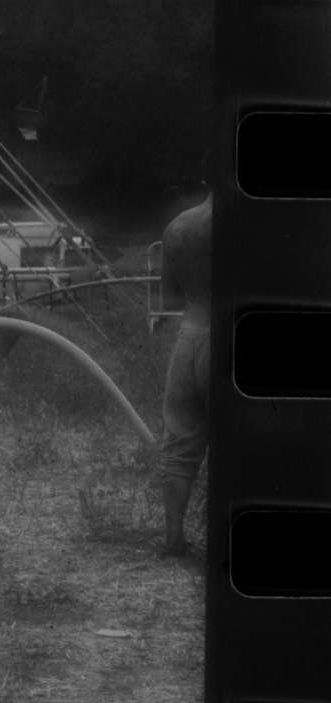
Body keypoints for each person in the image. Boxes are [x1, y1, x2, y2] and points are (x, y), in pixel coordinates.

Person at [158, 189, 212, 555]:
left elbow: (171, 299)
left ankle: (173, 538)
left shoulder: (178, 226)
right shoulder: (247, 224)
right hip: (228, 336)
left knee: (179, 446)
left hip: (188, 339)